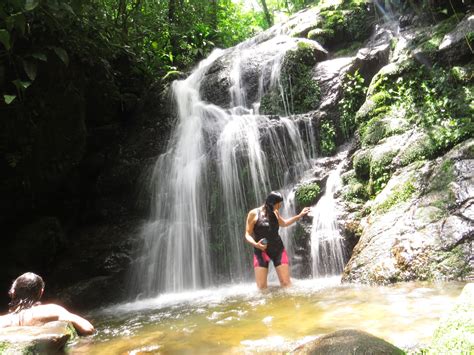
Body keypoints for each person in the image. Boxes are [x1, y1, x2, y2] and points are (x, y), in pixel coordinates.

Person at [244, 191, 310, 289]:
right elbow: (247, 234)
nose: (279, 207)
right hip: (261, 252)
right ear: (271, 204)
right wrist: (256, 244)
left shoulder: (275, 212)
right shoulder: (253, 214)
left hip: (278, 250)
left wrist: (299, 216)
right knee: (261, 287)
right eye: (278, 204)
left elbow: (284, 223)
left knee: (286, 283)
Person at [0, 272, 95, 335]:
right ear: (41, 292)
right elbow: (88, 329)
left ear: (13, 293)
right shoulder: (50, 310)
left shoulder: (2, 321)